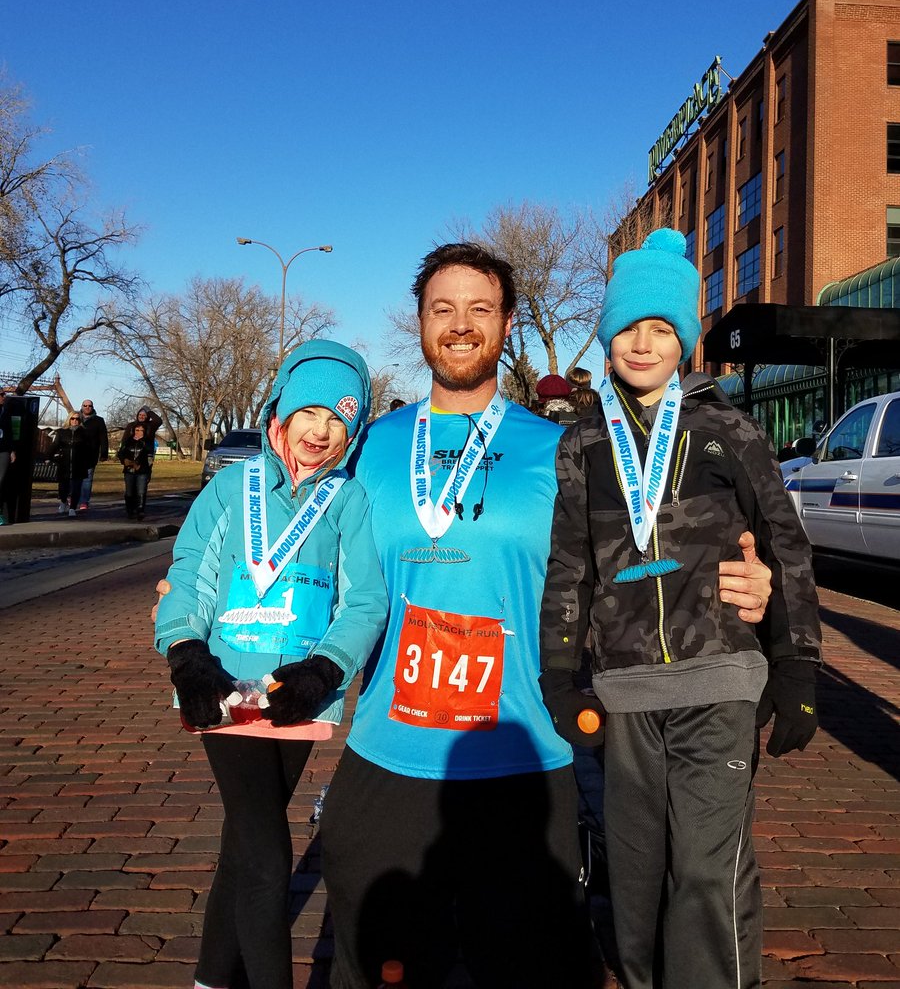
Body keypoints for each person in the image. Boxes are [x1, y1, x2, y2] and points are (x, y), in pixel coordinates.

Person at [314, 242, 776, 989]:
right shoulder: (370, 446)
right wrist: (196, 601)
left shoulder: (568, 448)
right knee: (379, 968)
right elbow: (295, 550)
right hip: (390, 755)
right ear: (420, 323)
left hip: (526, 759)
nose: (460, 324)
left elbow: (654, 554)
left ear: (506, 324)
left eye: (479, 309)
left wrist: (749, 584)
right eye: (443, 309)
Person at [539, 228, 822, 989]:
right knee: (633, 882)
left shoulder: (729, 429)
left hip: (720, 679)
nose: (643, 343)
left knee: (706, 869)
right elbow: (570, 568)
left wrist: (796, 667)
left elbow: (786, 547)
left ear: (686, 339)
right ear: (606, 334)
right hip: (626, 693)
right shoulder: (583, 444)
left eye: (662, 328)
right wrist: (559, 679)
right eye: (629, 326)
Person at [153, 340, 388, 989]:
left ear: (355, 430)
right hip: (222, 691)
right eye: (310, 411)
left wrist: (326, 669)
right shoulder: (232, 488)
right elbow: (190, 576)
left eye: (340, 418)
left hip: (296, 697)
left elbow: (365, 598)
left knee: (245, 843)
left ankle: (209, 978)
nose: (322, 430)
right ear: (278, 415)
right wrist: (187, 655)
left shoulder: (348, 501)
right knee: (265, 849)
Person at [50, 412, 93, 517]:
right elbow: (54, 446)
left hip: (79, 464)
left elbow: (89, 449)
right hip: (64, 463)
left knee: (76, 487)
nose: (75, 421)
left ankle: (73, 507)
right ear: (69, 419)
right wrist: (50, 456)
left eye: (77, 419)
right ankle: (63, 502)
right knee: (63, 486)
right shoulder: (62, 432)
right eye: (73, 418)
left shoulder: (84, 433)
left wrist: (88, 462)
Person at [117, 421, 154, 519]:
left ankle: (140, 510)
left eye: (142, 430)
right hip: (129, 470)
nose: (139, 432)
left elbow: (150, 457)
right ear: (133, 431)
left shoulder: (148, 442)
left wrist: (148, 469)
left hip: (142, 470)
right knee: (129, 491)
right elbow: (121, 453)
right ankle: (130, 510)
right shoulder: (128, 441)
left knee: (141, 491)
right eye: (137, 430)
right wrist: (124, 460)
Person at [77, 398, 109, 512]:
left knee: (87, 479)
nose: (87, 408)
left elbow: (103, 438)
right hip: (75, 454)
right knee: (73, 478)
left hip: (90, 454)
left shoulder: (98, 421)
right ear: (81, 406)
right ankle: (72, 498)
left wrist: (104, 453)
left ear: (92, 407)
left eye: (89, 406)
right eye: (85, 405)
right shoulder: (75, 418)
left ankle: (84, 501)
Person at [0, 389, 15, 526]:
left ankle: (2, 515)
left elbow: (9, 433)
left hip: (3, 450)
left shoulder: (5, 412)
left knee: (1, 480)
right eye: (1, 395)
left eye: (4, 394)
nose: (3, 397)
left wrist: (12, 451)